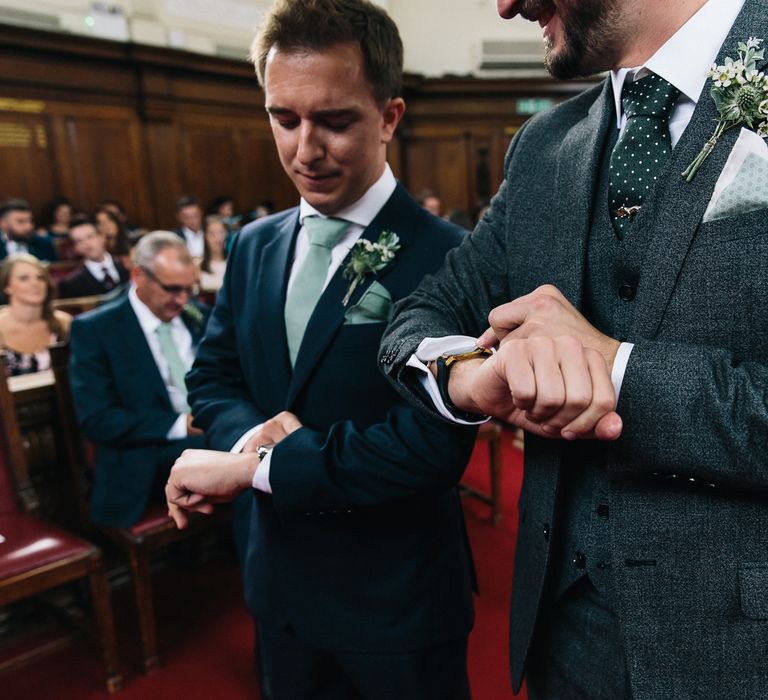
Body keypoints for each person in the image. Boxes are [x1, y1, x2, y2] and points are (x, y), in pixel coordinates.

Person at [380, 0, 768, 698]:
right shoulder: (544, 144)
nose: (505, 5)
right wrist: (470, 379)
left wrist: (616, 371)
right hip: (564, 637)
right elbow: (423, 314)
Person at [164, 1, 477, 697]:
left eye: (335, 121)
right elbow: (212, 375)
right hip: (279, 586)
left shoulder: (451, 256)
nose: (306, 149)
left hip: (397, 600)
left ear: (390, 116)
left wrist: (262, 469)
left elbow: (433, 445)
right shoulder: (253, 243)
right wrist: (250, 439)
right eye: (285, 119)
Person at [69, 231, 209, 528]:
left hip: (208, 437)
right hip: (144, 455)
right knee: (241, 456)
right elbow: (98, 420)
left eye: (189, 289)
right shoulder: (96, 330)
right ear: (138, 275)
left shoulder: (199, 316)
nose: (182, 300)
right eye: (172, 289)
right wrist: (182, 425)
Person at [0, 254, 71, 376]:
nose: (35, 283)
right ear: (7, 287)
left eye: (40, 278)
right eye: (24, 278)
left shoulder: (65, 322)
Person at [57, 214, 129, 298]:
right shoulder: (72, 282)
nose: (86, 244)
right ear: (75, 248)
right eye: (79, 241)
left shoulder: (127, 265)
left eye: (90, 237)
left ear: (102, 237)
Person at [197, 215, 228, 293]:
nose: (218, 238)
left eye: (221, 232)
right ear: (205, 236)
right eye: (212, 234)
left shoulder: (234, 262)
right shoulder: (197, 265)